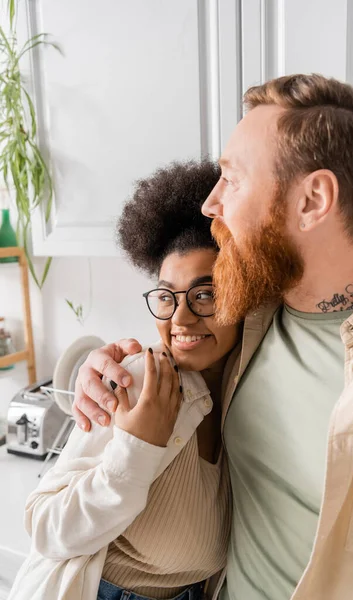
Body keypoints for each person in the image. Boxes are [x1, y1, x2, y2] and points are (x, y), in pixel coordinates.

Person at [73, 74, 353, 600]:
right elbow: (179, 331)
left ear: (313, 199)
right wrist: (97, 370)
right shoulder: (252, 302)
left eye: (234, 179)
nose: (210, 203)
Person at [9, 160, 241, 600]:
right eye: (167, 296)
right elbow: (44, 524)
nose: (180, 317)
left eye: (206, 294)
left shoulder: (246, 385)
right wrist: (135, 453)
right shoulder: (139, 381)